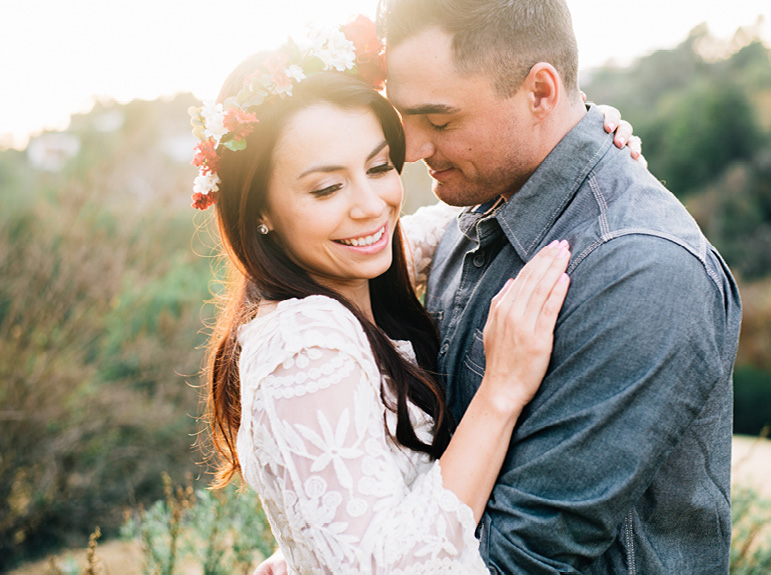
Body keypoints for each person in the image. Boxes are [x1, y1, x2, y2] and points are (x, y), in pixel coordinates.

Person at [195, 20, 582, 574]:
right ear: (260, 210)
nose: (370, 205)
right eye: (327, 188)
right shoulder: (304, 344)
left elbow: (448, 222)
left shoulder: (359, 272)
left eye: (379, 167)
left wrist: (573, 135)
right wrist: (501, 393)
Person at [370, 0, 741, 573]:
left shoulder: (642, 273)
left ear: (540, 93)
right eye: (404, 119)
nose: (414, 148)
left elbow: (521, 558)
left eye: (439, 121)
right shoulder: (476, 210)